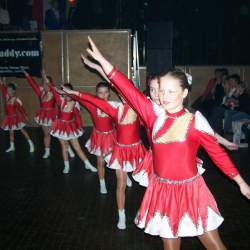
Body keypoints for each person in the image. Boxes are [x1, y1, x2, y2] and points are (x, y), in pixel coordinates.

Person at [84, 36, 250, 250]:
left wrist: (241, 182)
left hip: (191, 192)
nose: (164, 96)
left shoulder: (194, 120)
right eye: (161, 90)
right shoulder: (154, 117)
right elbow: (127, 89)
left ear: (185, 93)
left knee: (215, 247)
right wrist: (104, 64)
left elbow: (216, 154)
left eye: (171, 91)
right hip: (162, 192)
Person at [62, 80, 146, 230]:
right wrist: (73, 93)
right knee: (113, 175)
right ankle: (119, 211)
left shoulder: (134, 108)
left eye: (106, 92)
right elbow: (87, 99)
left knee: (146, 182)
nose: (103, 95)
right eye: (122, 93)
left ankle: (144, 211)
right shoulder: (112, 107)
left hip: (131, 147)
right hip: (111, 143)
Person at [76, 81, 117, 194]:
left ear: (109, 93)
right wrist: (68, 92)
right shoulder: (92, 105)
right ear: (96, 93)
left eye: (105, 92)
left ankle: (124, 177)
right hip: (98, 136)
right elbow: (79, 97)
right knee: (100, 162)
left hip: (111, 135)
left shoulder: (114, 105)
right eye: (100, 93)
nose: (103, 95)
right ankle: (102, 183)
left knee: (116, 159)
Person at [48, 81, 96, 174]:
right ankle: (66, 165)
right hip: (60, 127)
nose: (66, 95)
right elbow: (54, 91)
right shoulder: (61, 100)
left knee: (77, 147)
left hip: (70, 127)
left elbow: (78, 116)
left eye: (68, 93)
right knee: (64, 146)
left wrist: (79, 126)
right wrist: (48, 81)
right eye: (63, 93)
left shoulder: (75, 102)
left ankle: (88, 164)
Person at [22, 69, 59, 158]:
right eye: (44, 83)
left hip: (53, 115)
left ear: (51, 84)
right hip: (43, 115)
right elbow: (32, 84)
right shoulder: (40, 92)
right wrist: (27, 75)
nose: (45, 85)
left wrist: (44, 77)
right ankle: (47, 151)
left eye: (47, 83)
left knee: (58, 134)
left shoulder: (54, 92)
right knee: (46, 134)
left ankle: (67, 148)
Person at [0, 79, 34, 153]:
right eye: (7, 89)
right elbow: (2, 87)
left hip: (15, 118)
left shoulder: (16, 99)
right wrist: (1, 82)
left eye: (9, 90)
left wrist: (26, 118)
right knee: (11, 132)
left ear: (13, 91)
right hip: (8, 118)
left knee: (23, 130)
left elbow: (22, 110)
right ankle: (12, 146)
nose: (8, 91)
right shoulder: (6, 96)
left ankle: (31, 144)